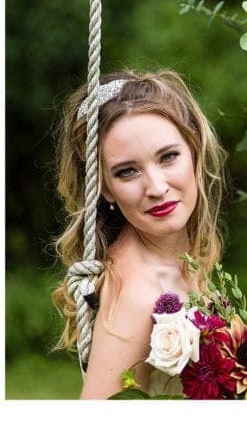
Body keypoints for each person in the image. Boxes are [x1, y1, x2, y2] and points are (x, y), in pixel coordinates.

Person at [52, 69, 227, 398]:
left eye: (168, 157)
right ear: (104, 188)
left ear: (195, 150)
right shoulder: (135, 294)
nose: (157, 188)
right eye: (127, 171)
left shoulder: (182, 259)